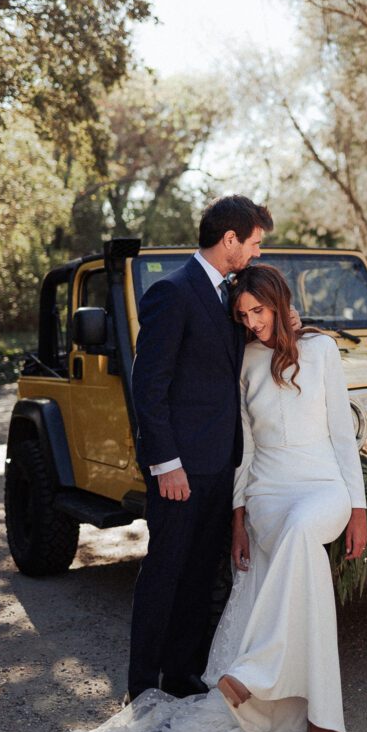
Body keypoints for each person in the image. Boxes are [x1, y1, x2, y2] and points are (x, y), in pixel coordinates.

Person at [45, 265, 367, 732]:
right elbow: (246, 445)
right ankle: (322, 719)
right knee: (299, 555)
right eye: (243, 316)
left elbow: (343, 435)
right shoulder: (244, 360)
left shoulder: (322, 351)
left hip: (322, 487)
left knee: (303, 533)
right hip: (267, 491)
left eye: (258, 311)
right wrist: (239, 517)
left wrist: (357, 508)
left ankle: (259, 676)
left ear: (279, 304)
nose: (253, 323)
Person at [127, 194, 274, 702]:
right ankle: (142, 687)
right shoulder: (172, 292)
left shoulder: (231, 295)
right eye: (254, 244)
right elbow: (149, 387)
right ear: (229, 239)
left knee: (198, 577)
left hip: (222, 464)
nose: (256, 253)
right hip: (180, 470)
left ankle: (181, 675)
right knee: (164, 575)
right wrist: (166, 464)